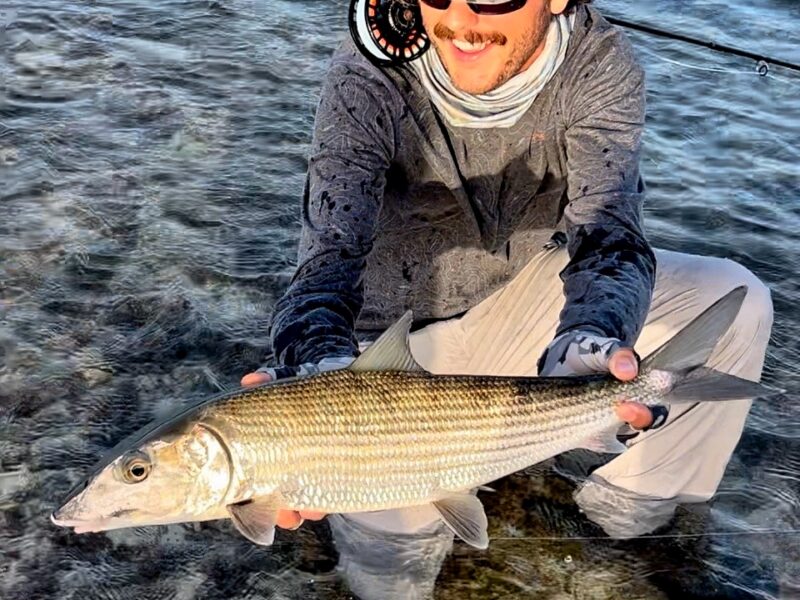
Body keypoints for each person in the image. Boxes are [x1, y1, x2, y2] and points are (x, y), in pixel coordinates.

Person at [242, 0, 772, 564]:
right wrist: (316, 362)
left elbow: (608, 230)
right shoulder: (366, 74)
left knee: (738, 302)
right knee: (393, 566)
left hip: (519, 303)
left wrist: (590, 333)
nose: (461, 20)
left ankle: (629, 530)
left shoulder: (599, 64)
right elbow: (329, 252)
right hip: (383, 355)